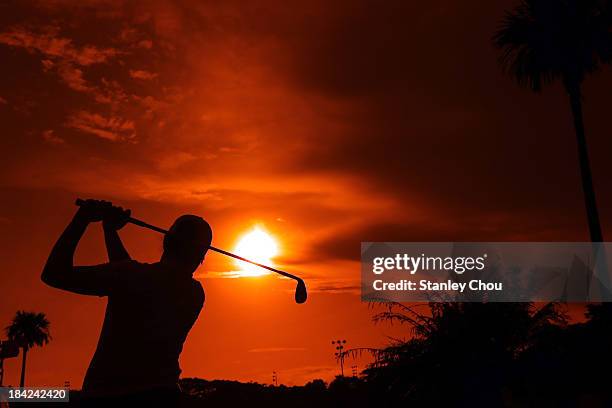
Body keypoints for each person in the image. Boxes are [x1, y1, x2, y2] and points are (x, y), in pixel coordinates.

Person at [41, 199, 211, 406]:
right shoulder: (195, 294)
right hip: (164, 395)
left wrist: (82, 218)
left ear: (166, 240)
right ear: (202, 256)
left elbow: (54, 274)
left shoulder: (130, 276)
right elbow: (128, 276)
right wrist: (110, 231)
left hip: (109, 396)